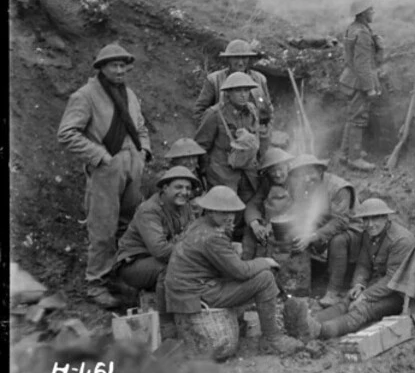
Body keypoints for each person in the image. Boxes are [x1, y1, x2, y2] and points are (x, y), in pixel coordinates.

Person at [58, 43, 152, 308]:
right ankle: (96, 284)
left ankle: (121, 277)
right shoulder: (85, 96)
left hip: (132, 165)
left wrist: (143, 151)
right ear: (101, 67)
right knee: (103, 228)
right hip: (105, 168)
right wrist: (100, 156)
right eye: (114, 65)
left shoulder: (130, 95)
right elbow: (66, 133)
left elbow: (141, 127)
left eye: (123, 65)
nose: (120, 70)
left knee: (129, 225)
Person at [164, 185, 302, 355]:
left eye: (232, 212)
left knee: (244, 274)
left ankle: (242, 321)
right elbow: (241, 271)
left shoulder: (199, 225)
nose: (229, 217)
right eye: (223, 213)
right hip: (197, 294)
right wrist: (265, 261)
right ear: (210, 211)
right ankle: (272, 339)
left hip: (188, 291)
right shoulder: (212, 237)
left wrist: (230, 249)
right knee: (265, 278)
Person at [283, 198, 415, 341]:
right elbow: (364, 264)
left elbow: (392, 280)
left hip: (400, 294)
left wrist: (365, 295)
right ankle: (305, 321)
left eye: (375, 218)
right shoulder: (369, 234)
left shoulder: (401, 240)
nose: (370, 224)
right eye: (366, 219)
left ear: (385, 218)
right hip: (379, 285)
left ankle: (320, 331)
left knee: (363, 308)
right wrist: (358, 286)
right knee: (348, 300)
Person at [286, 154, 363, 306]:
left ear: (320, 171)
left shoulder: (339, 187)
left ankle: (334, 292)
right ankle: (300, 286)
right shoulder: (303, 187)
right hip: (324, 226)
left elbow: (341, 221)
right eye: (302, 174)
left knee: (337, 241)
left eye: (310, 173)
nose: (307, 178)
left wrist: (313, 236)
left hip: (352, 229)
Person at [194, 71, 263, 239]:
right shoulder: (214, 114)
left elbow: (256, 138)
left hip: (247, 172)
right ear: (228, 93)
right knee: (223, 214)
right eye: (238, 90)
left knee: (247, 208)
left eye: (246, 90)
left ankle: (240, 249)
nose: (243, 94)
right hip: (222, 173)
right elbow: (201, 145)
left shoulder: (252, 111)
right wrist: (203, 173)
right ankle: (219, 247)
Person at [114, 166, 199, 294]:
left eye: (188, 188)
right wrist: (195, 252)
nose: (184, 192)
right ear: (165, 188)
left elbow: (194, 234)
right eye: (178, 187)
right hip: (135, 264)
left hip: (162, 258)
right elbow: (160, 251)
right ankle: (164, 310)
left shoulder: (185, 207)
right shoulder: (149, 211)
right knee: (175, 268)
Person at [193, 39, 273, 142]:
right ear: (228, 59)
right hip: (225, 141)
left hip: (253, 140)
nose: (240, 62)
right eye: (236, 57)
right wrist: (214, 134)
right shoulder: (214, 80)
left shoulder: (259, 79)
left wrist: (264, 133)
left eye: (244, 57)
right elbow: (199, 112)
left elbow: (268, 109)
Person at [338, 0, 385, 171]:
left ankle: (345, 153)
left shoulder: (354, 28)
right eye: (371, 10)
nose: (373, 12)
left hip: (351, 79)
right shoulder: (363, 34)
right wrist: (370, 88)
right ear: (364, 13)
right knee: (358, 118)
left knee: (352, 117)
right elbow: (363, 64)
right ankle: (354, 158)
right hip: (359, 82)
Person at [242, 147, 294, 260]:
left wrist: (274, 224)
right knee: (249, 233)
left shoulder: (295, 181)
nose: (278, 174)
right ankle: (247, 267)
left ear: (288, 166)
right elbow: (252, 205)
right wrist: (255, 225)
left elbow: (301, 208)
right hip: (269, 225)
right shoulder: (267, 184)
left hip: (292, 226)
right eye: (273, 170)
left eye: (280, 169)